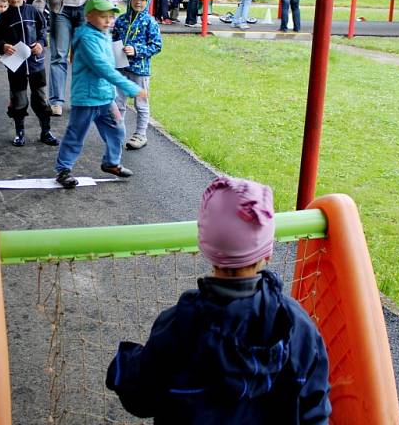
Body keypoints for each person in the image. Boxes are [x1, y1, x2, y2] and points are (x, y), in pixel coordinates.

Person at [106, 176, 332, 423]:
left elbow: (141, 399)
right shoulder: (297, 325)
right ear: (267, 252)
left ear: (205, 247)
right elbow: (315, 410)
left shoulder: (177, 326)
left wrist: (125, 366)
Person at [54, 0, 148, 189]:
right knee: (76, 135)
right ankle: (64, 170)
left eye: (111, 17)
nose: (108, 21)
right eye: (103, 16)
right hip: (87, 98)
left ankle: (111, 163)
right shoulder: (87, 38)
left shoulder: (103, 34)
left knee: (117, 129)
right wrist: (131, 87)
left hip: (105, 98)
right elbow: (101, 67)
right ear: (89, 17)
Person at [0, 0, 58, 148]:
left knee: (41, 99)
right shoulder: (3, 18)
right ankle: (19, 132)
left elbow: (43, 31)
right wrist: (3, 46)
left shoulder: (33, 11)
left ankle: (46, 131)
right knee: (19, 100)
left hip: (36, 65)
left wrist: (41, 44)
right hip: (16, 67)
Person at [112, 0, 162, 151]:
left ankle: (140, 135)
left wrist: (136, 49)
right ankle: (118, 132)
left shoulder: (150, 22)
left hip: (140, 71)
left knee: (141, 103)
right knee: (118, 102)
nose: (138, 2)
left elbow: (156, 45)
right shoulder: (121, 20)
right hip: (121, 69)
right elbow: (113, 40)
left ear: (148, 0)